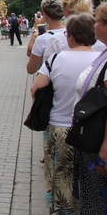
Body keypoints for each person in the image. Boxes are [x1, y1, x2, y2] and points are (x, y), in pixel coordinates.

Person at [30, 13, 99, 214]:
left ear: (70, 36)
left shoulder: (56, 59)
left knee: (60, 179)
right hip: (92, 132)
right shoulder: (101, 59)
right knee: (88, 180)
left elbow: (36, 89)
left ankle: (61, 210)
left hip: (60, 127)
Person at [74, 3, 107, 213]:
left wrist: (105, 148)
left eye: (97, 20)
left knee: (96, 201)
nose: (94, 24)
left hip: (99, 143)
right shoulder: (102, 52)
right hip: (92, 139)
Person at [26, 0, 65, 74]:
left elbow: (31, 69)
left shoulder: (42, 39)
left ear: (45, 15)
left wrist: (36, 29)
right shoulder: (73, 34)